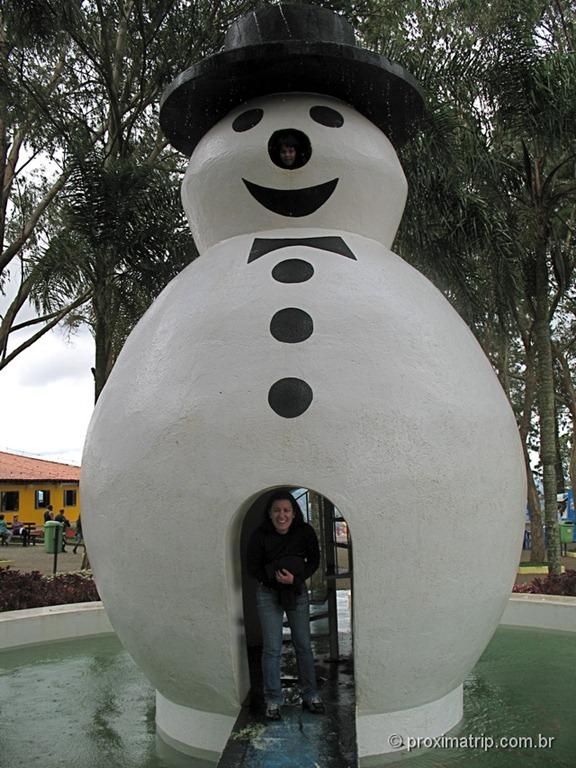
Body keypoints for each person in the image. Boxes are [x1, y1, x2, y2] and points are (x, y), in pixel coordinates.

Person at [247, 489, 325, 720]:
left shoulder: (304, 532)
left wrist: (296, 579)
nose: (282, 515)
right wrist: (273, 578)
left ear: (294, 512)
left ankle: (310, 694)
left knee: (303, 645)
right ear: (270, 514)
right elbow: (252, 566)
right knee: (272, 648)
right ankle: (273, 700)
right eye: (277, 511)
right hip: (269, 593)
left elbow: (314, 560)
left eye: (286, 510)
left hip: (297, 592)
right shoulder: (260, 535)